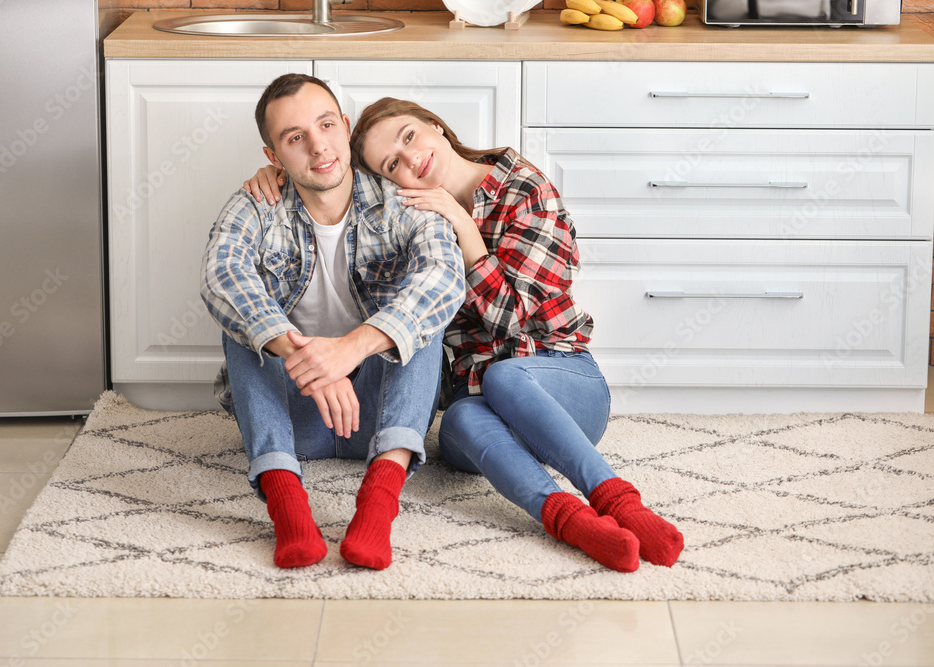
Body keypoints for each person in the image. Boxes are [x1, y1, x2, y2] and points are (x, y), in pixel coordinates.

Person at [243, 98, 683, 573]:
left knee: (505, 379)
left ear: (436, 125)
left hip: (562, 385)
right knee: (456, 424)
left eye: (410, 137)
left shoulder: (526, 190)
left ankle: (621, 503)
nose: (411, 159)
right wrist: (279, 177)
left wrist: (464, 228)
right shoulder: (412, 216)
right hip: (478, 400)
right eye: (393, 164)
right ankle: (569, 520)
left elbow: (514, 319)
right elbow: (333, 182)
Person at [201, 78, 465, 571]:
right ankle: (286, 505)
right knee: (244, 324)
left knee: (418, 326)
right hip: (297, 413)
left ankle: (379, 503)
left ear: (345, 129)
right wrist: (304, 356)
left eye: (325, 125)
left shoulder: (401, 202)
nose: (318, 145)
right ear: (274, 154)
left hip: (378, 415)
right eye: (295, 137)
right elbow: (222, 275)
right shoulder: (255, 204)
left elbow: (445, 279)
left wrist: (350, 349)